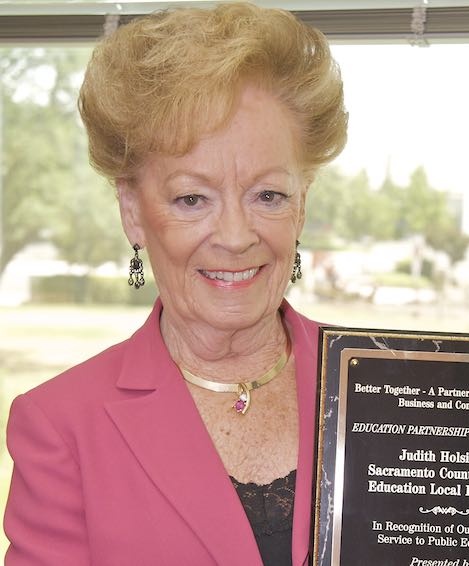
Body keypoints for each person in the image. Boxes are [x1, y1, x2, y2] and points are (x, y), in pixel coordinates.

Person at [3, 3, 347, 565]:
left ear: (302, 205)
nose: (236, 236)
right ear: (133, 211)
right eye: (193, 198)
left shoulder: (387, 383)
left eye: (268, 195)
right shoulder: (62, 427)